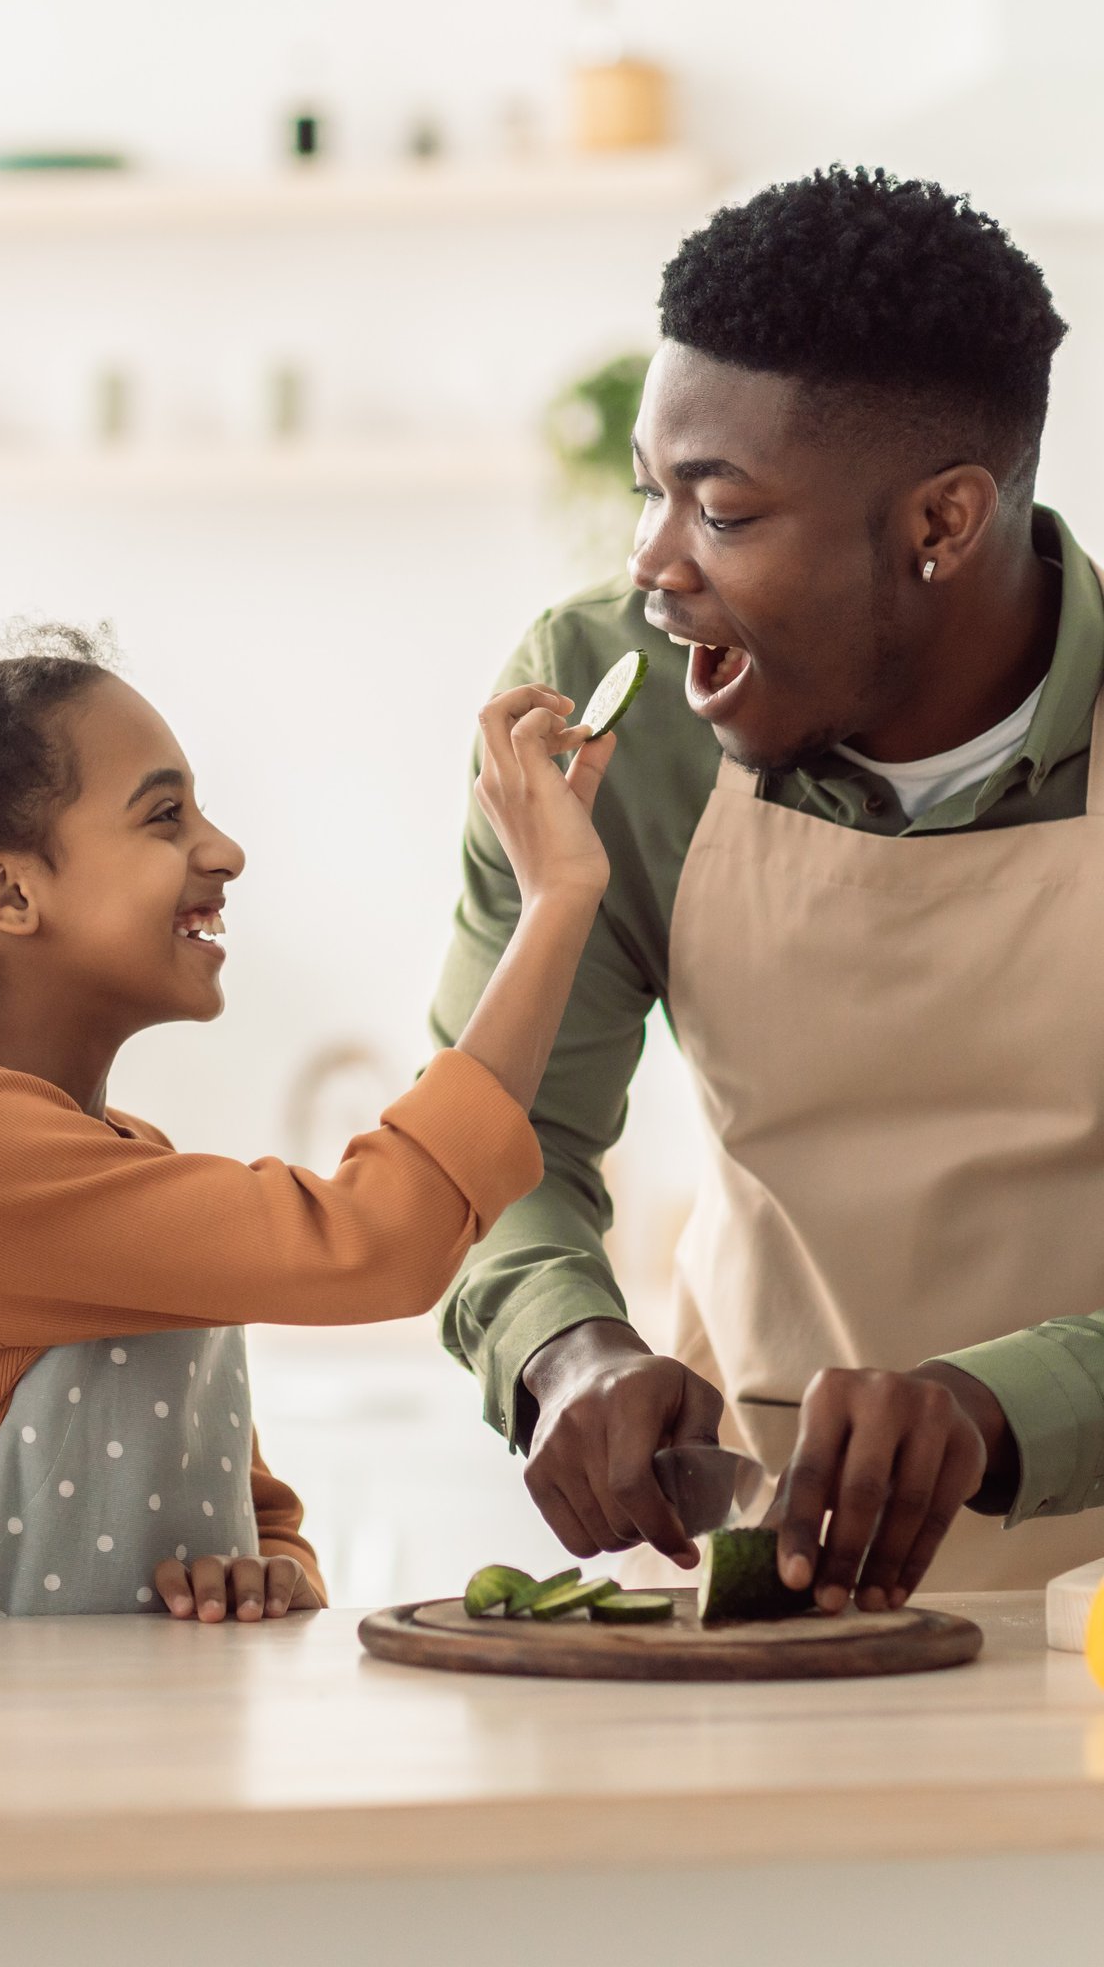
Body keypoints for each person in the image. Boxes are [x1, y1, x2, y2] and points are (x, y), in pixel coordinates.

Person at [434, 166, 1104, 1606]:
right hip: (753, 1577)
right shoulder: (613, 711)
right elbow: (497, 1138)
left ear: (940, 523)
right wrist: (569, 1347)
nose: (652, 565)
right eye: (650, 491)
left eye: (722, 514)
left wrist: (998, 1409)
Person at [0, 631, 613, 1620]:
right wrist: (554, 901)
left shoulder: (115, 1151)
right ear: (8, 892)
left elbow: (253, 1506)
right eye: (162, 816)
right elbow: (377, 1241)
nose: (222, 850)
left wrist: (269, 1568)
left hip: (143, 1748)